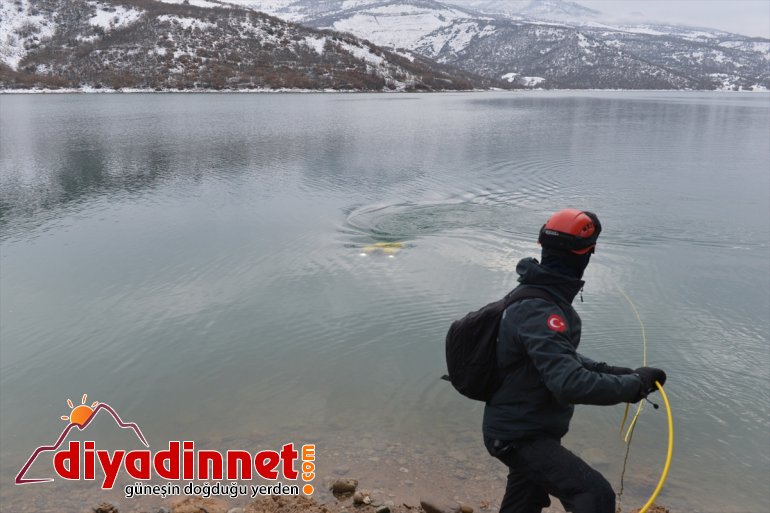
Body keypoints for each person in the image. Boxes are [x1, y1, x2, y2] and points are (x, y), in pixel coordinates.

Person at [482, 208, 666, 513]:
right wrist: (634, 386)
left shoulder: (536, 294)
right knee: (594, 496)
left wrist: (614, 373)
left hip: (520, 429)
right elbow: (568, 383)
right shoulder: (543, 310)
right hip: (520, 435)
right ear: (587, 253)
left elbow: (553, 357)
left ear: (544, 247)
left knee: (525, 499)